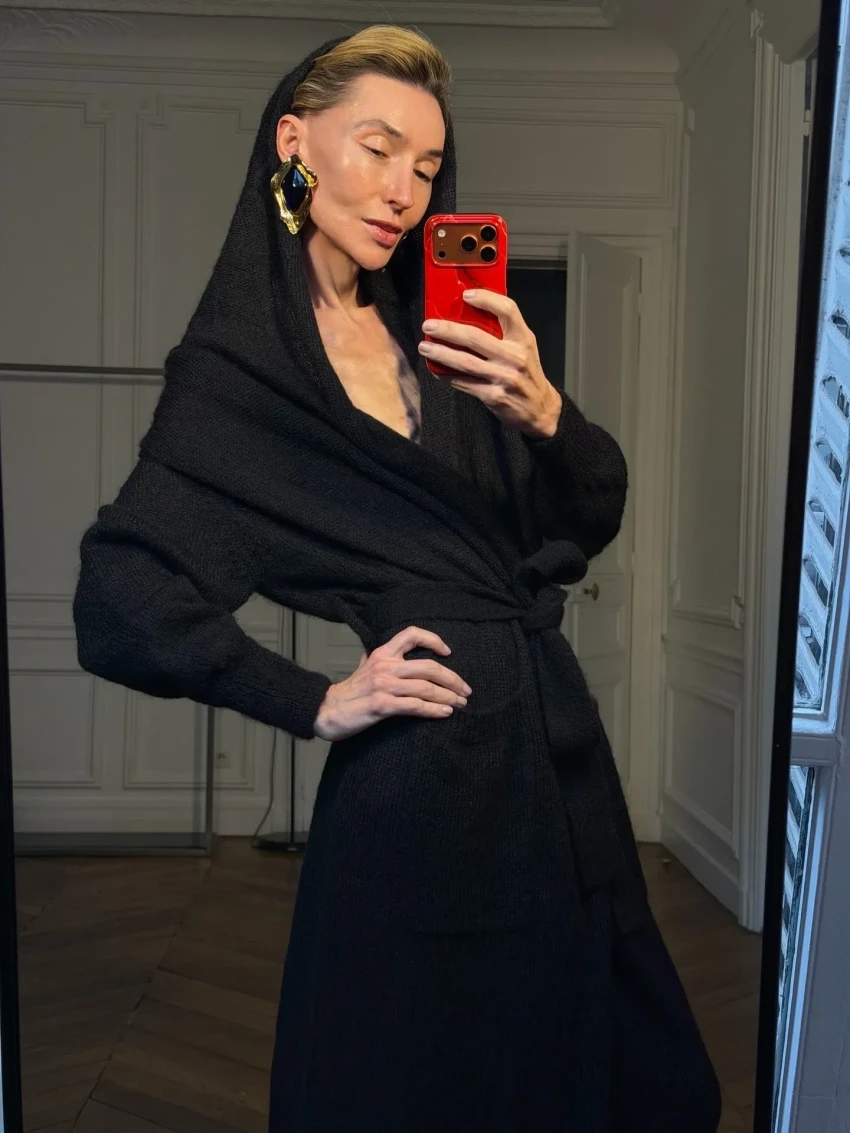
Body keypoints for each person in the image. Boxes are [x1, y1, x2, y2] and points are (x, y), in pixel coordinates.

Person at [72, 24, 722, 1133]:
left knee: (576, 1064)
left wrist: (547, 415)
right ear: (294, 141)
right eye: (378, 149)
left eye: (426, 167)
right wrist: (316, 698)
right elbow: (120, 597)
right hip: (419, 783)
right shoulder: (239, 381)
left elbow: (585, 518)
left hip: (555, 766)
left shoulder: (442, 339)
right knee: (410, 1072)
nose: (403, 193)